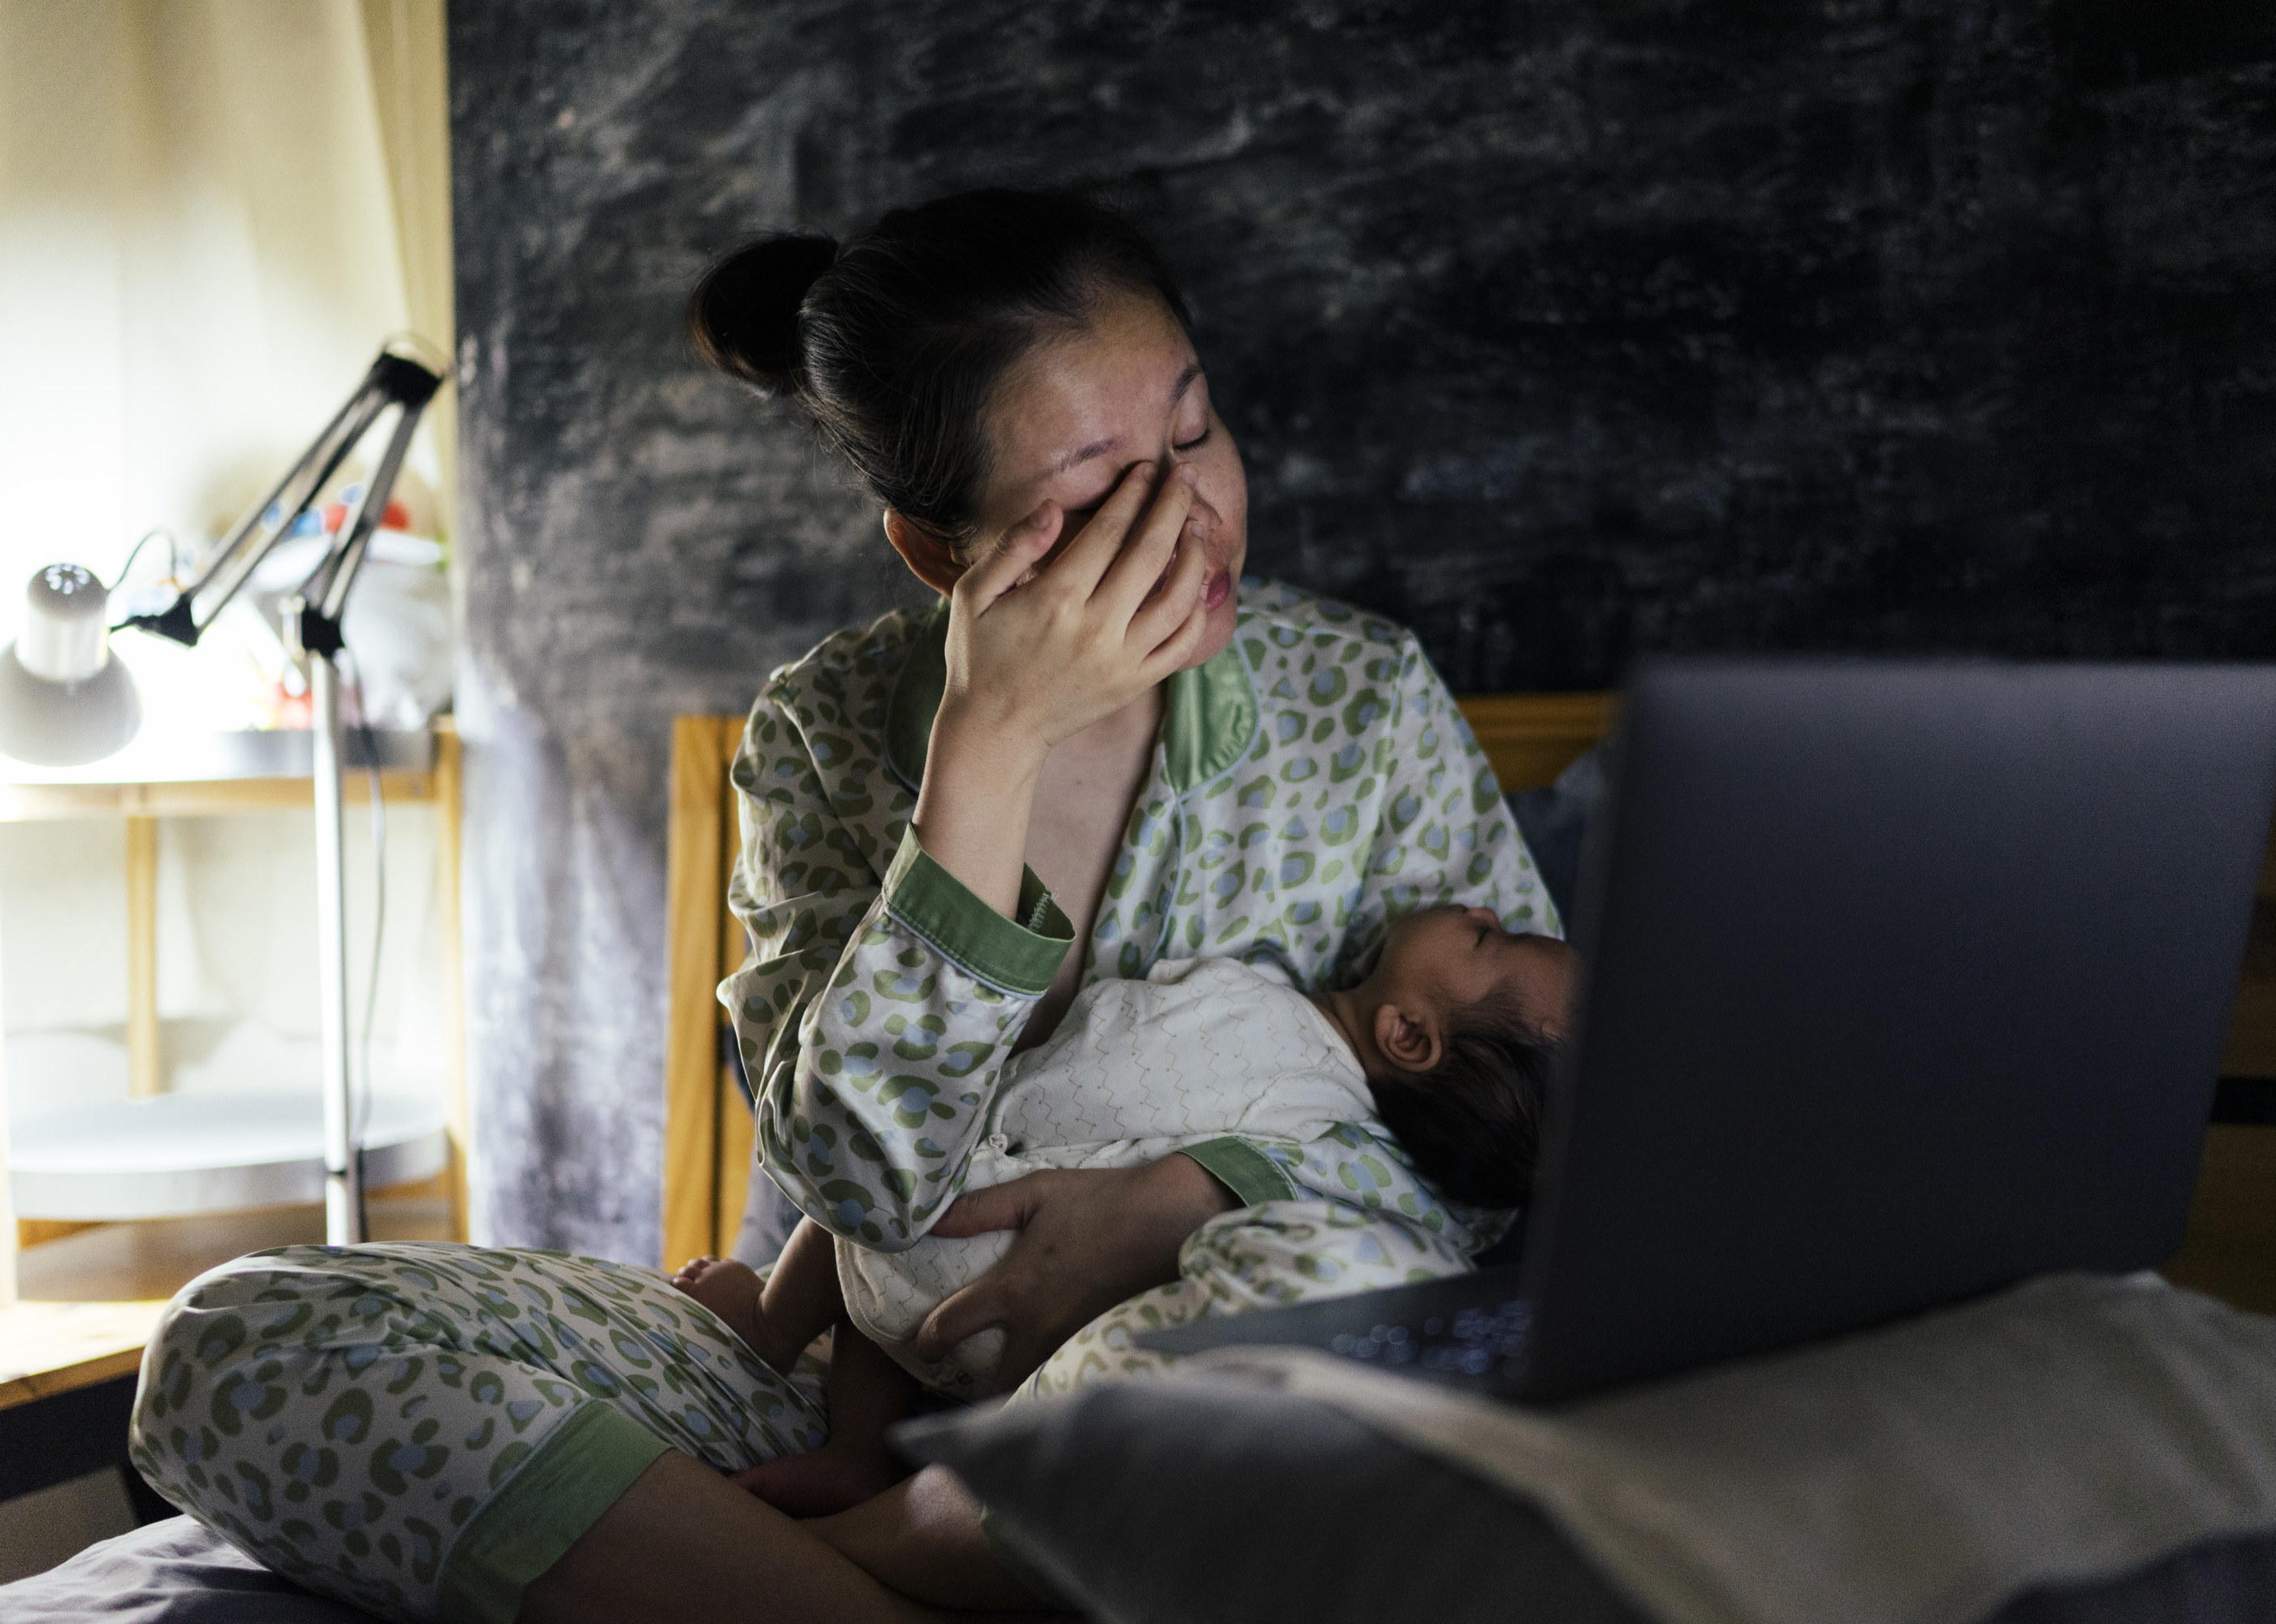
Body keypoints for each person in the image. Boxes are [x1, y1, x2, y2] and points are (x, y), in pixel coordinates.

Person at [127, 187, 1557, 1624]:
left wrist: (1187, 1199)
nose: (1186, 518)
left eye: (1194, 434)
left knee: (1351, 1312)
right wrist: (985, 759)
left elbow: (1517, 1164)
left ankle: (814, 1574)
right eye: (1098, 490)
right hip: (855, 1381)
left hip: (1208, 1368)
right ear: (941, 553)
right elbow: (859, 1181)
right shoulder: (825, 731)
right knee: (236, 1342)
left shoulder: (1362, 706)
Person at [676, 902, 1577, 1514]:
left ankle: (768, 1319)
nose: (1483, 909)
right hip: (1006, 1340)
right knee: (911, 1195)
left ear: (1409, 1035)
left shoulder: (1274, 1027)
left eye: (1491, 938)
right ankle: (866, 1451)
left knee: (884, 1154)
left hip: (948, 1226)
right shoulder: (1328, 1130)